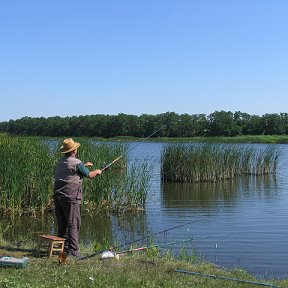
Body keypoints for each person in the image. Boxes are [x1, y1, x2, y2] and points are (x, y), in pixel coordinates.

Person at [53, 138, 102, 258]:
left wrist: (84, 166)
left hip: (58, 196)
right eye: (76, 149)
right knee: (73, 222)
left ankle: (62, 248)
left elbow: (72, 170)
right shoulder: (76, 162)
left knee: (62, 222)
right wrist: (98, 171)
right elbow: (90, 175)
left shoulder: (62, 160)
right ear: (73, 150)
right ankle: (73, 252)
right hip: (70, 196)